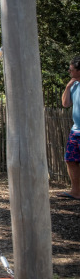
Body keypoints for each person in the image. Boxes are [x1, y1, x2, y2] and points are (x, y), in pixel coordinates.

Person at [60, 56, 80, 200]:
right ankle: (76, 191)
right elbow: (66, 104)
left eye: (71, 70)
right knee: (70, 159)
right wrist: (67, 87)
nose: (69, 72)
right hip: (75, 130)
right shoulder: (74, 85)